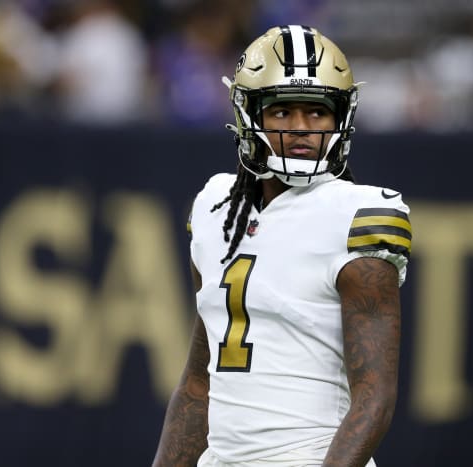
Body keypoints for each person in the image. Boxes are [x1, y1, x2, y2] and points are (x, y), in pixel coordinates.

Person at [152, 25, 411, 467]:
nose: (301, 128)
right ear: (248, 114)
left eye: (317, 112)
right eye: (282, 111)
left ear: (341, 118)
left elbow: (374, 398)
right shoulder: (216, 206)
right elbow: (199, 383)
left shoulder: (357, 214)